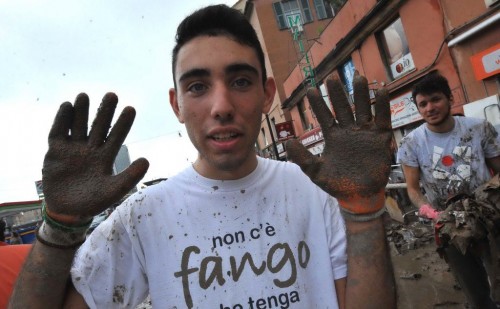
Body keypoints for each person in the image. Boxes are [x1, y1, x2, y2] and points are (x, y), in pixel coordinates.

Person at [9, 5, 396, 309]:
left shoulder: (320, 194)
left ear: (267, 93)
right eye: (197, 86)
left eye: (241, 81)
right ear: (176, 104)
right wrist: (58, 230)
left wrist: (363, 214)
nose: (221, 106)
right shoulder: (142, 217)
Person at [397, 72, 500, 308]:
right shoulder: (411, 143)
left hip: (489, 215)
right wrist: (433, 213)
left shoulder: (478, 128)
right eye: (423, 104)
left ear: (449, 99)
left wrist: (491, 199)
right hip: (449, 224)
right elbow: (412, 189)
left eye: (435, 99)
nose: (430, 108)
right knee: (476, 294)